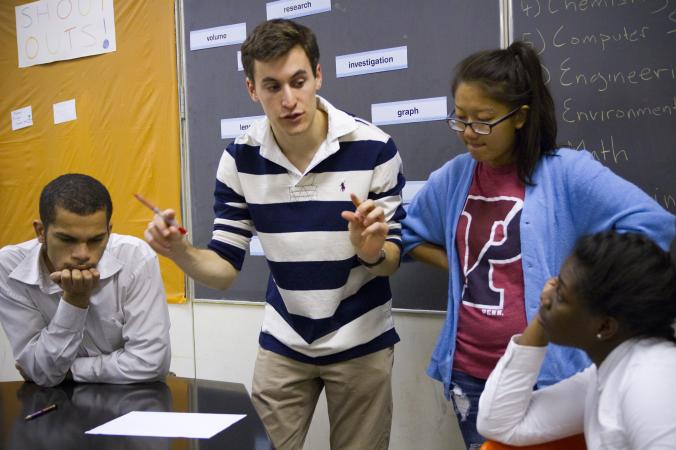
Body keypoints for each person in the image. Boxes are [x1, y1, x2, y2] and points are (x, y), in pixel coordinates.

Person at [144, 19, 405, 450]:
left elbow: (392, 257)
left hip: (362, 338)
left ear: (318, 75)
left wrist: (373, 252)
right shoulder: (239, 159)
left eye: (298, 81)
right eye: (272, 86)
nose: (289, 100)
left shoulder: (374, 147)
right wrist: (180, 251)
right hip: (285, 340)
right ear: (251, 89)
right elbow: (225, 270)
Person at [400, 41, 675, 449]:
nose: (469, 134)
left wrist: (579, 279)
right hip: (469, 374)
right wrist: (462, 265)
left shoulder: (567, 173)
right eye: (460, 120)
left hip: (551, 374)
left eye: (483, 120)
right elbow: (408, 235)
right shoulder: (455, 176)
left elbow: (657, 225)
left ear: (520, 117)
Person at [477, 231, 676, 449]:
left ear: (605, 326)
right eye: (555, 283)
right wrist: (545, 315)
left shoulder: (651, 381)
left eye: (560, 295)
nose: (544, 296)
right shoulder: (607, 370)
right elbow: (500, 423)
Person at [0, 174, 171, 387]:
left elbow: (150, 363)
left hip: (131, 398)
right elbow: (40, 372)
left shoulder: (135, 256)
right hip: (54, 409)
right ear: (41, 232)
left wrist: (69, 370)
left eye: (96, 240)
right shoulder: (9, 266)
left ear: (108, 232)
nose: (82, 255)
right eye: (67, 239)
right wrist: (74, 301)